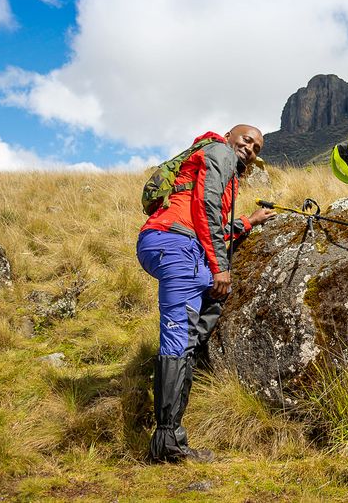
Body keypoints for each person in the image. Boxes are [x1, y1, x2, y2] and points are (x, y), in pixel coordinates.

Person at [136, 124, 276, 463]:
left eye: (257, 148)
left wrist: (248, 221)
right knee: (178, 340)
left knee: (201, 320)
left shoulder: (216, 159)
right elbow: (206, 206)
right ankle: (168, 442)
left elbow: (208, 218)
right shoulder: (220, 151)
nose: (250, 149)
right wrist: (220, 266)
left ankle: (169, 434)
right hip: (176, 243)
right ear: (230, 136)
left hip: (183, 245)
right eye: (247, 140)